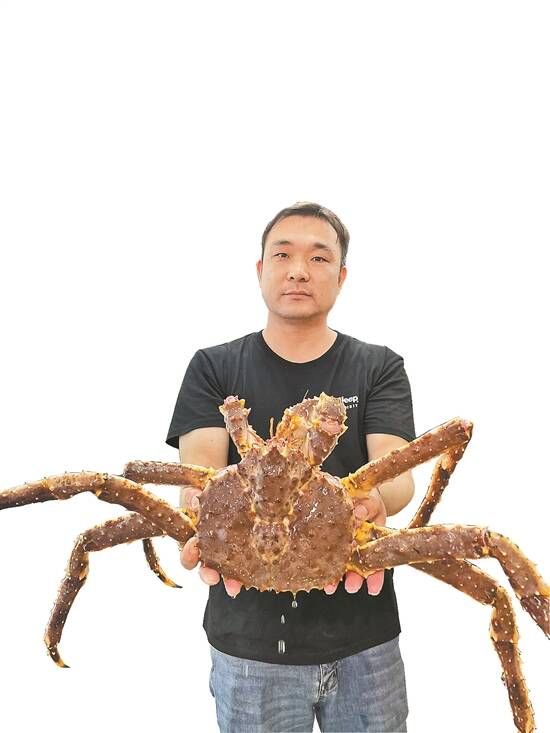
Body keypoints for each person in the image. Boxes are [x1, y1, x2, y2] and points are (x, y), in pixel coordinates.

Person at [166, 201, 416, 733]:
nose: (299, 269)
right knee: (99, 489)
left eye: (319, 257)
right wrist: (198, 512)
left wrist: (373, 500)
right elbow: (198, 475)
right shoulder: (213, 366)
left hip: (364, 636)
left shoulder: (378, 366)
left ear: (341, 276)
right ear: (260, 269)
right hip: (248, 646)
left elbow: (395, 473)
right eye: (283, 255)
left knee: (486, 549)